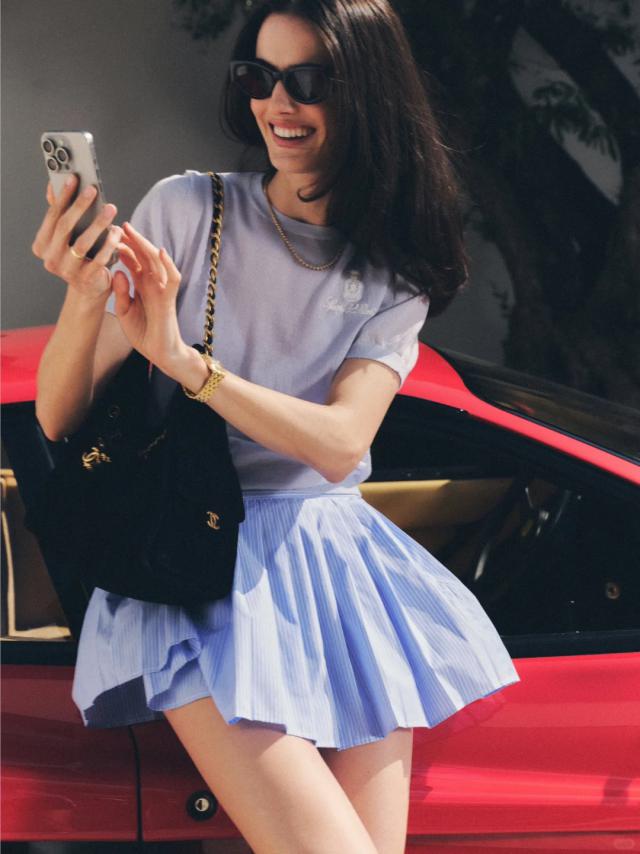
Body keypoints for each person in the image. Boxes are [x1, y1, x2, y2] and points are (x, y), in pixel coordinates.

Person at [31, 1, 521, 851]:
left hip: (340, 573)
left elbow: (340, 444)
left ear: (368, 91)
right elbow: (57, 415)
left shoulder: (396, 271)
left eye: (308, 80)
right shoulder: (189, 209)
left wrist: (189, 365)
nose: (277, 104)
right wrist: (82, 297)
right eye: (258, 78)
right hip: (196, 561)